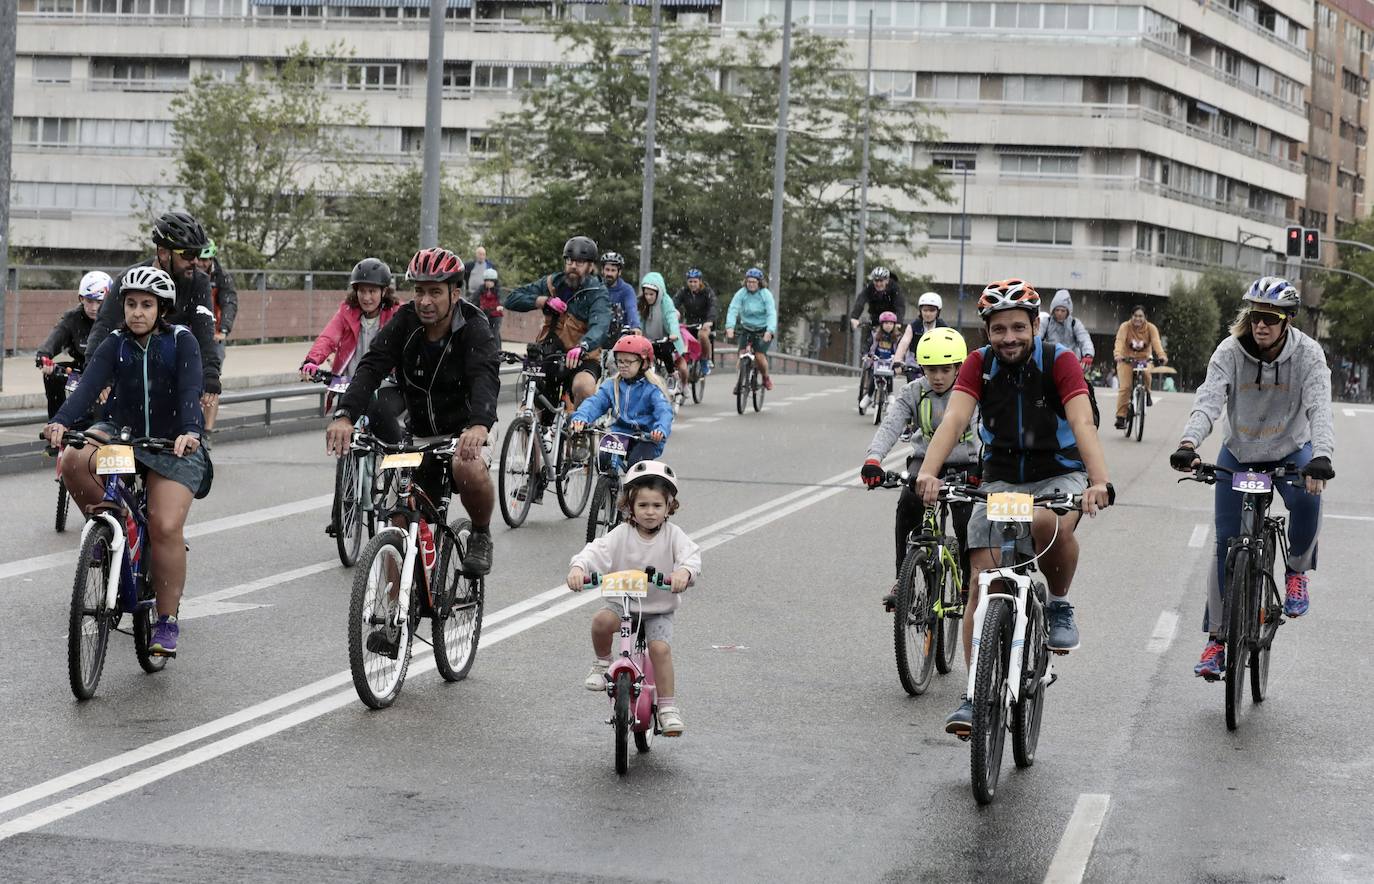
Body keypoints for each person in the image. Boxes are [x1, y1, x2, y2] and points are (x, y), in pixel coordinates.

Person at [912, 278, 1112, 737]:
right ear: (986, 332)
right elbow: (956, 417)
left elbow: (1082, 420)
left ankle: (1058, 603)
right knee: (981, 581)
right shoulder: (979, 366)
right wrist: (930, 470)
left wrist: (1098, 480)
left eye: (1019, 327)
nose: (1009, 338)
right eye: (999, 329)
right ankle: (974, 694)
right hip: (1000, 478)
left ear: (1036, 325)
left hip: (1059, 472)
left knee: (1046, 525)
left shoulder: (1059, 361)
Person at [1168, 277, 1334, 680]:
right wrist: (1189, 443)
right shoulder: (1230, 351)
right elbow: (1208, 400)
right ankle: (1216, 641)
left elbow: (1319, 409)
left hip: (1291, 449)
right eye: (1255, 316)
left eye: (1270, 318)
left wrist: (1323, 456)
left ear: (1287, 321)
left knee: (1309, 499)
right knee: (1226, 544)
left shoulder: (1309, 355)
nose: (1260, 325)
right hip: (1239, 452)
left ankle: (1295, 572)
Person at [46, 266, 211, 659]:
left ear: (162, 309)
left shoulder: (181, 342)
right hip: (122, 434)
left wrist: (190, 431)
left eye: (147, 305)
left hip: (173, 443)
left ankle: (166, 621)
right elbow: (87, 388)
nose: (138, 312)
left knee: (166, 524)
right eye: (132, 304)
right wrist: (60, 421)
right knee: (73, 459)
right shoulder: (116, 342)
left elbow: (191, 391)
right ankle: (108, 531)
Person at [325, 247, 501, 576]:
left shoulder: (474, 326)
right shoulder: (405, 321)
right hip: (417, 436)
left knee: (468, 466)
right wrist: (345, 414)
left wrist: (478, 425)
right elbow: (371, 366)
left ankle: (480, 533)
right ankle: (388, 623)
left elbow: (485, 378)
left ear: (456, 293)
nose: (425, 301)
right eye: (419, 291)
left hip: (464, 432)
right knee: (397, 523)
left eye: (435, 292)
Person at [567, 460, 701, 737]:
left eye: (657, 506)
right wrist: (579, 568)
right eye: (643, 506)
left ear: (669, 507)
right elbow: (596, 551)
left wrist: (683, 573)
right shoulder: (622, 534)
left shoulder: (674, 536)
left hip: (658, 609)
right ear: (629, 506)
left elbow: (691, 557)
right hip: (624, 604)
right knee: (601, 621)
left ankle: (667, 708)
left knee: (660, 650)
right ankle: (602, 662)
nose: (650, 512)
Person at [862, 327, 979, 609]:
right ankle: (903, 579)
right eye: (930, 370)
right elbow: (891, 425)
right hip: (925, 461)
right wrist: (874, 460)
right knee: (907, 506)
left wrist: (987, 466)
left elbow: (989, 431)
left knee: (966, 522)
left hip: (966, 464)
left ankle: (966, 581)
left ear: (958, 368)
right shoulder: (913, 392)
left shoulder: (974, 393)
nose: (937, 377)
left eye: (944, 370)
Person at [86, 211, 222, 424]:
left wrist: (211, 373)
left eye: (198, 254)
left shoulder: (198, 282)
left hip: (171, 375)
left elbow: (204, 331)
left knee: (187, 441)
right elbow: (103, 328)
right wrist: (99, 377)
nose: (195, 261)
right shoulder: (129, 280)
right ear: (163, 252)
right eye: (187, 254)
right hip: (129, 371)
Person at [302, 257, 407, 449]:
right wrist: (311, 361)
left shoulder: (398, 313)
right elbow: (328, 337)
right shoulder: (346, 312)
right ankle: (348, 474)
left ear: (384, 291)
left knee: (381, 415)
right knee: (343, 420)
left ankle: (400, 460)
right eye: (362, 291)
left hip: (387, 382)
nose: (366, 297)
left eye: (372, 291)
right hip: (352, 382)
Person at [504, 235, 612, 407]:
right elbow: (511, 299)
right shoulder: (552, 283)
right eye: (570, 261)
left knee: (583, 387)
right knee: (531, 401)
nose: (573, 266)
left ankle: (579, 430)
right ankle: (529, 428)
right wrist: (543, 301)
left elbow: (600, 325)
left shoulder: (597, 292)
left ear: (590, 266)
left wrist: (583, 346)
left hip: (582, 357)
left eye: (580, 262)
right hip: (549, 352)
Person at [569, 334, 674, 465]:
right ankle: (609, 484)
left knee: (636, 464)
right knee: (603, 459)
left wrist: (660, 430)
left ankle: (637, 486)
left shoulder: (652, 389)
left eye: (628, 362)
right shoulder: (611, 385)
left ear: (644, 363)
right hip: (620, 434)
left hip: (646, 438)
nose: (623, 365)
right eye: (619, 361)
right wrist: (581, 417)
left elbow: (664, 411)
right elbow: (594, 403)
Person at [36, 270, 111, 423]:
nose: (94, 308)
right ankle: (56, 424)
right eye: (89, 301)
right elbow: (57, 336)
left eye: (99, 302)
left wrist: (107, 383)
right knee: (53, 374)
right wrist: (44, 356)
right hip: (81, 371)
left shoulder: (117, 319)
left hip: (110, 373)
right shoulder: (73, 317)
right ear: (81, 298)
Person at [193, 240, 237, 436]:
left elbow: (229, 304)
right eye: (200, 259)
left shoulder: (221, 276)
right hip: (191, 332)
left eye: (206, 259)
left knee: (212, 381)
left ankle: (208, 431)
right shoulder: (189, 273)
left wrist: (223, 330)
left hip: (213, 335)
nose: (202, 263)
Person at [1112, 304, 1167, 430]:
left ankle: (1146, 393)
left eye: (1141, 316)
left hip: (1144, 359)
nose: (1138, 318)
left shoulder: (1151, 328)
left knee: (1147, 372)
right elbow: (1119, 341)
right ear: (1131, 317)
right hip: (1126, 360)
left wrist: (1161, 355)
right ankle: (1121, 416)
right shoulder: (1125, 327)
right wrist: (1118, 354)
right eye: (1135, 316)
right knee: (1125, 387)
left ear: (1145, 317)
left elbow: (1156, 343)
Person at [637, 271, 690, 396]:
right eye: (646, 294)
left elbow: (671, 318)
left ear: (659, 292)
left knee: (668, 354)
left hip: (667, 339)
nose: (648, 297)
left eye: (651, 294)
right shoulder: (642, 303)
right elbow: (638, 320)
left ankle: (673, 376)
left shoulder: (666, 302)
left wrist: (673, 333)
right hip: (648, 340)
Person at [726, 268, 778, 393]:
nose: (751, 284)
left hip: (762, 329)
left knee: (759, 356)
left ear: (759, 282)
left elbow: (771, 313)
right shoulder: (741, 293)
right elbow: (733, 309)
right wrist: (730, 327)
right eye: (749, 282)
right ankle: (740, 380)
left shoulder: (765, 294)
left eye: (754, 282)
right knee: (741, 354)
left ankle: (765, 378)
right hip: (747, 328)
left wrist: (769, 331)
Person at [892, 292, 949, 379]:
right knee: (912, 390)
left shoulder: (943, 327)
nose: (928, 314)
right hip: (914, 366)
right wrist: (897, 361)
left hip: (934, 366)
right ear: (920, 311)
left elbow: (948, 346)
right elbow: (904, 343)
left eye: (932, 310)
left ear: (938, 312)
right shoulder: (913, 326)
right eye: (925, 310)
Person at [674, 268, 717, 375]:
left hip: (705, 323)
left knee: (702, 336)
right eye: (690, 281)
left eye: (695, 281)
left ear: (700, 281)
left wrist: (709, 321)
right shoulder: (683, 291)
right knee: (677, 335)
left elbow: (713, 306)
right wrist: (673, 311)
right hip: (689, 322)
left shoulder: (707, 292)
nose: (693, 284)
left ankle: (704, 360)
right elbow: (674, 303)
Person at [858, 311, 902, 411]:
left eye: (891, 323)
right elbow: (867, 346)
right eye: (886, 323)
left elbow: (901, 349)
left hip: (889, 361)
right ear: (881, 324)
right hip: (876, 361)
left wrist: (899, 360)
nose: (888, 326)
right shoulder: (875, 335)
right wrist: (866, 354)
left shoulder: (897, 337)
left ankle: (890, 395)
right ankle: (869, 396)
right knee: (875, 376)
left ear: (894, 325)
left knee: (889, 376)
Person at [1042, 289, 1094, 369]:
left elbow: (1084, 339)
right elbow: (1037, 336)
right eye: (1057, 310)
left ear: (1068, 311)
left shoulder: (1075, 323)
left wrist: (1088, 354)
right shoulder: (1046, 322)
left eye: (1063, 311)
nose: (1059, 313)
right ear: (1053, 310)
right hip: (1051, 363)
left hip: (1071, 364)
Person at [598, 251, 641, 344]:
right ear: (602, 270)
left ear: (619, 272)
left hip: (620, 338)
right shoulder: (597, 288)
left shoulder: (626, 290)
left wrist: (635, 326)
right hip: (598, 336)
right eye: (607, 269)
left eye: (613, 270)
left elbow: (632, 308)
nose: (609, 273)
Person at [849, 266, 905, 333]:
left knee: (894, 338)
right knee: (870, 339)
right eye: (876, 281)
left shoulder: (894, 288)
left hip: (890, 320)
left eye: (881, 281)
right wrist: (854, 317)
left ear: (887, 280)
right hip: (876, 319)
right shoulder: (870, 287)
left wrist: (898, 322)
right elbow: (861, 300)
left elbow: (900, 306)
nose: (878, 284)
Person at [475, 267, 504, 350]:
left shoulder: (498, 289)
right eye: (487, 280)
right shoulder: (481, 288)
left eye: (491, 281)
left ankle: (498, 350)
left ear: (494, 281)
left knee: (494, 332)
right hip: (485, 313)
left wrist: (500, 305)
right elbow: (474, 298)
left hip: (496, 314)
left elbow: (501, 298)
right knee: (483, 331)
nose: (488, 283)